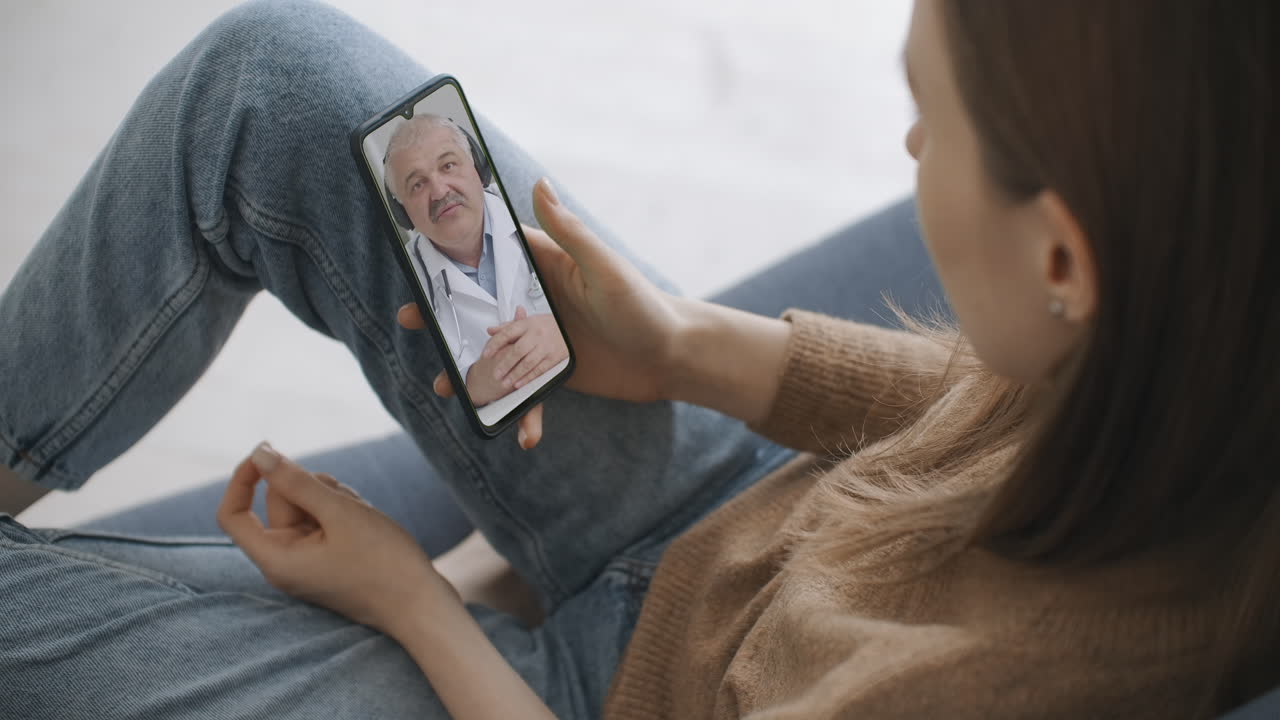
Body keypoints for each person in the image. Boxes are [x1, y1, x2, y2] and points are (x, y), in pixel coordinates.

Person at [1, 0, 1277, 718]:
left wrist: (416, 599)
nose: (901, 148)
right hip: (725, 514)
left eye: (927, 120)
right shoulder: (1198, 344)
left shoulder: (973, 697)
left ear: (1060, 265)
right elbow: (981, 397)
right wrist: (680, 349)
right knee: (273, 80)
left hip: (581, 700)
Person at [384, 113, 568, 406]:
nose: (440, 191)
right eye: (417, 185)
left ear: (478, 170)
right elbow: (442, 385)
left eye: (448, 165)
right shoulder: (404, 279)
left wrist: (563, 330)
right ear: (403, 213)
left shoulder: (531, 211)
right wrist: (474, 383)